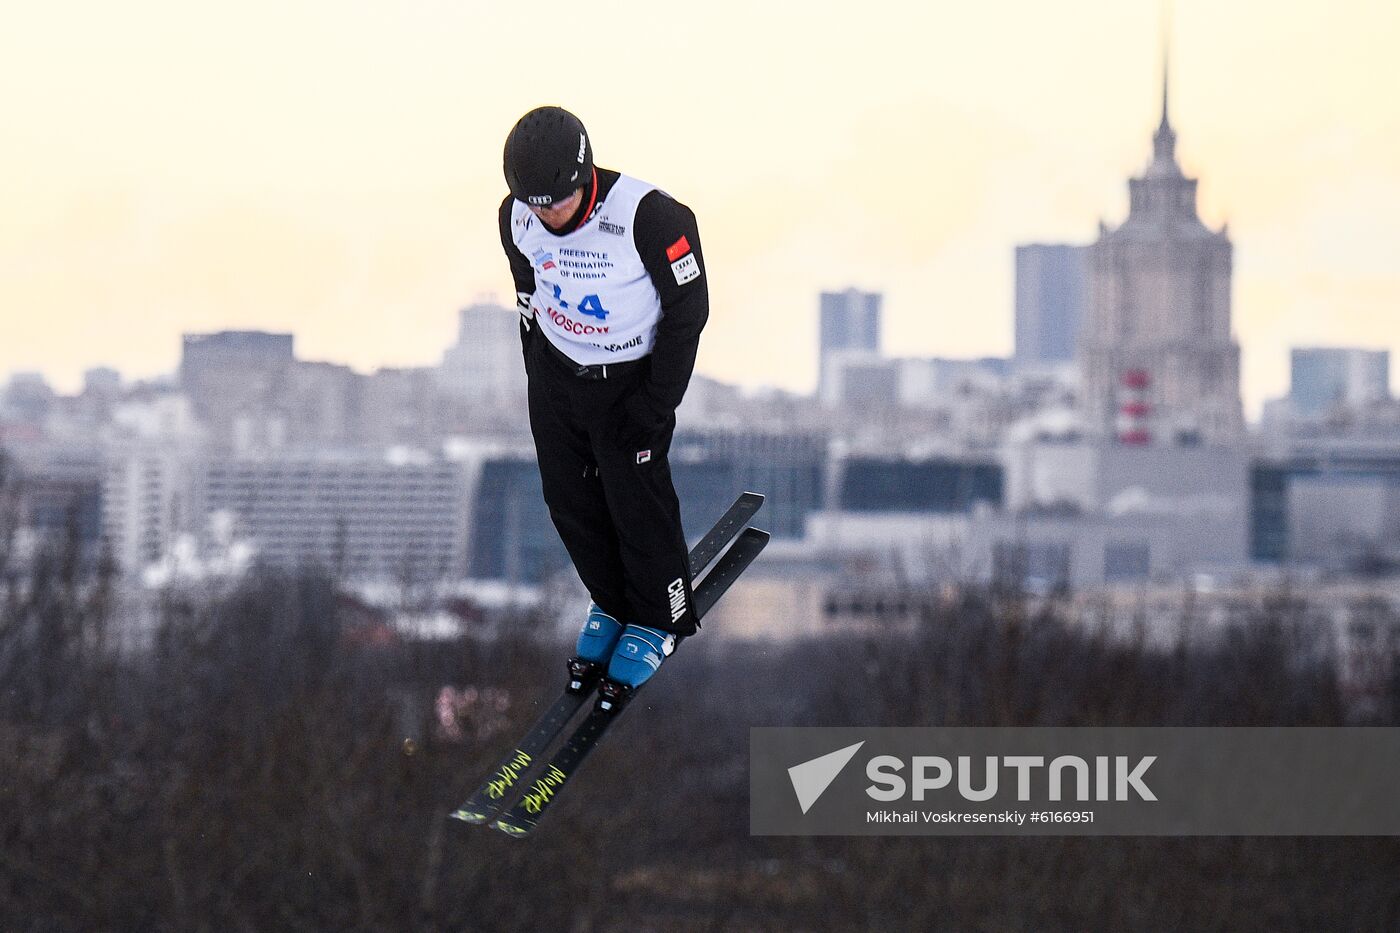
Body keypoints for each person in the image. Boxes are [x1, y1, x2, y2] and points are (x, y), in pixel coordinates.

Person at [499, 106, 707, 691]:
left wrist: (655, 403)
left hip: (629, 383)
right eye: (534, 205)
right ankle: (612, 603)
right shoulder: (516, 216)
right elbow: (526, 289)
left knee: (634, 501)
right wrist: (538, 373)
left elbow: (690, 311)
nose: (547, 216)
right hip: (560, 377)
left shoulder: (651, 217)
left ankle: (658, 618)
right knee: (569, 502)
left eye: (556, 203)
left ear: (583, 177)